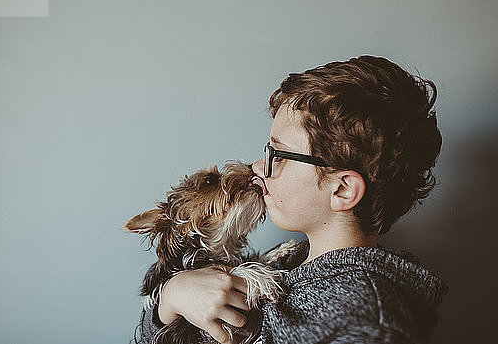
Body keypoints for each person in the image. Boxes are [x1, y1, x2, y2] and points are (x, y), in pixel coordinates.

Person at [135, 55, 448, 344]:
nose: (257, 167)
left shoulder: (365, 321)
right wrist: (171, 299)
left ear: (342, 190)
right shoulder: (287, 261)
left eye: (277, 155)